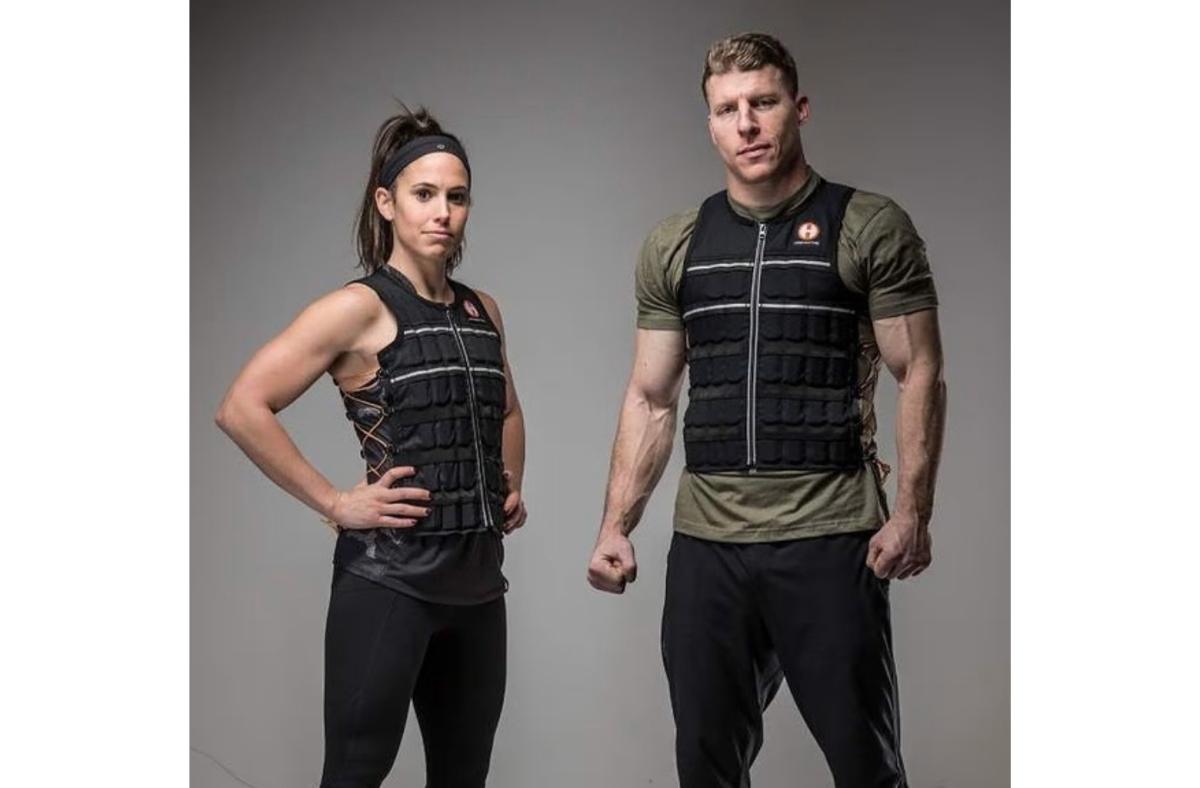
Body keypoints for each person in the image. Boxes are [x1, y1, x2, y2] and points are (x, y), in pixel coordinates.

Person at [586, 33, 946, 788]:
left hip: (829, 536)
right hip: (708, 546)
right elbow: (651, 396)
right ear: (710, 125)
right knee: (705, 766)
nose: (746, 123)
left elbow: (919, 371)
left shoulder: (868, 225)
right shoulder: (676, 244)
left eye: (764, 103)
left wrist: (913, 511)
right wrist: (616, 525)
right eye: (727, 109)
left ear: (798, 108)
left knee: (866, 766)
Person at [216, 106, 526, 788]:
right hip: (391, 584)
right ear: (387, 203)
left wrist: (508, 486)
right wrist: (335, 502)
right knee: (353, 777)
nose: (442, 212)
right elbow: (241, 407)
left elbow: (506, 408)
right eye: (424, 194)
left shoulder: (484, 310)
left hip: (478, 591)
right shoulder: (357, 309)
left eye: (456, 197)